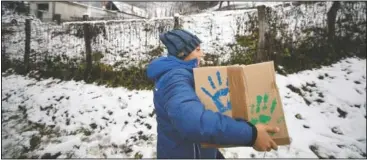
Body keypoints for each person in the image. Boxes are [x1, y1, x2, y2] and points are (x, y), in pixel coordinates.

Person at [146, 29, 280, 159]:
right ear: (183, 54)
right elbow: (194, 123)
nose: (202, 54)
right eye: (197, 50)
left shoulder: (182, 74)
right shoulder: (175, 79)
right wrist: (252, 135)